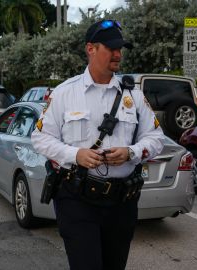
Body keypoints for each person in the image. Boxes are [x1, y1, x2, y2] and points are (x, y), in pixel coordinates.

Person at [31, 20, 165, 270]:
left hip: (122, 202)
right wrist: (75, 154)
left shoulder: (132, 95)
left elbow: (156, 138)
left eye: (120, 48)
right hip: (78, 200)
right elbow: (40, 137)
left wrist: (131, 152)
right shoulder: (64, 93)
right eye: (111, 48)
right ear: (90, 49)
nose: (118, 54)